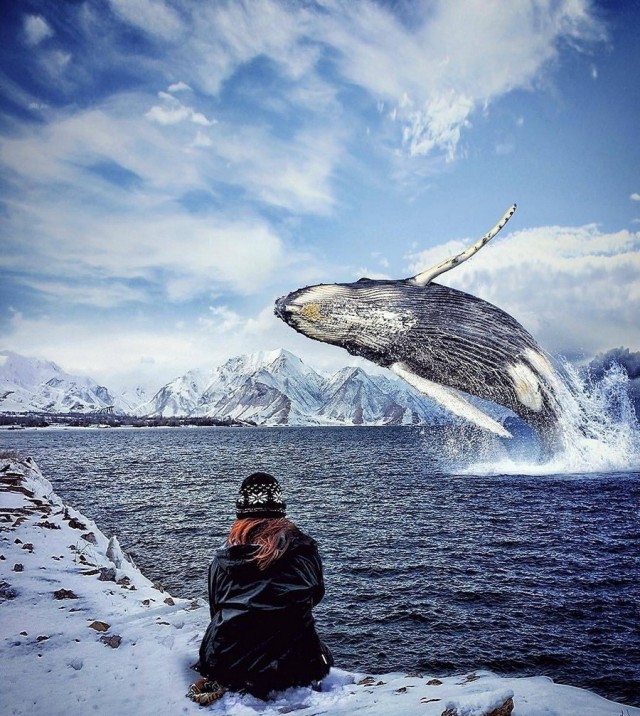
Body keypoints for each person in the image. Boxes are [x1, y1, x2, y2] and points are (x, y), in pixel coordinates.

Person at [188, 472, 333, 704]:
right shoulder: (305, 553)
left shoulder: (222, 560)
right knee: (316, 648)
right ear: (280, 512)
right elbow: (316, 596)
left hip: (226, 664)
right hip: (293, 665)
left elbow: (216, 610)